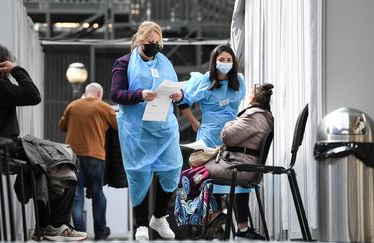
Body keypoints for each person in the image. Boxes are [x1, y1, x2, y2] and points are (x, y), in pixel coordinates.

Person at [0, 44, 88, 241]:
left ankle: (47, 226)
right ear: (1, 65)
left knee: (42, 164)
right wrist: (17, 70)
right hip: (5, 148)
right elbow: (33, 96)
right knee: (67, 157)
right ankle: (55, 224)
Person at [110, 21, 184, 241]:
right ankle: (141, 224)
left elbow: (175, 87)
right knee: (139, 174)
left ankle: (159, 217)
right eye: (150, 42)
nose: (154, 45)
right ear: (140, 40)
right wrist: (140, 94)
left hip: (163, 126)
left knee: (173, 168)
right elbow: (116, 94)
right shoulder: (124, 63)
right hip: (137, 129)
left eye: (157, 42)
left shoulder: (165, 64)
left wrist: (179, 96)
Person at [175, 83, 274, 240]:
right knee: (195, 174)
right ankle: (219, 221)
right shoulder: (261, 116)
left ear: (252, 98)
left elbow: (227, 136)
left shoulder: (252, 117)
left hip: (239, 167)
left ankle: (208, 220)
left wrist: (230, 121)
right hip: (239, 164)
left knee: (187, 176)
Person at [58, 83, 117, 240]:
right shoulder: (104, 107)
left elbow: (61, 126)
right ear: (99, 93)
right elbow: (118, 125)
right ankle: (100, 233)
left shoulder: (73, 105)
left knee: (76, 195)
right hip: (95, 156)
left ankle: (80, 233)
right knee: (97, 194)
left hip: (73, 157)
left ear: (86, 92)